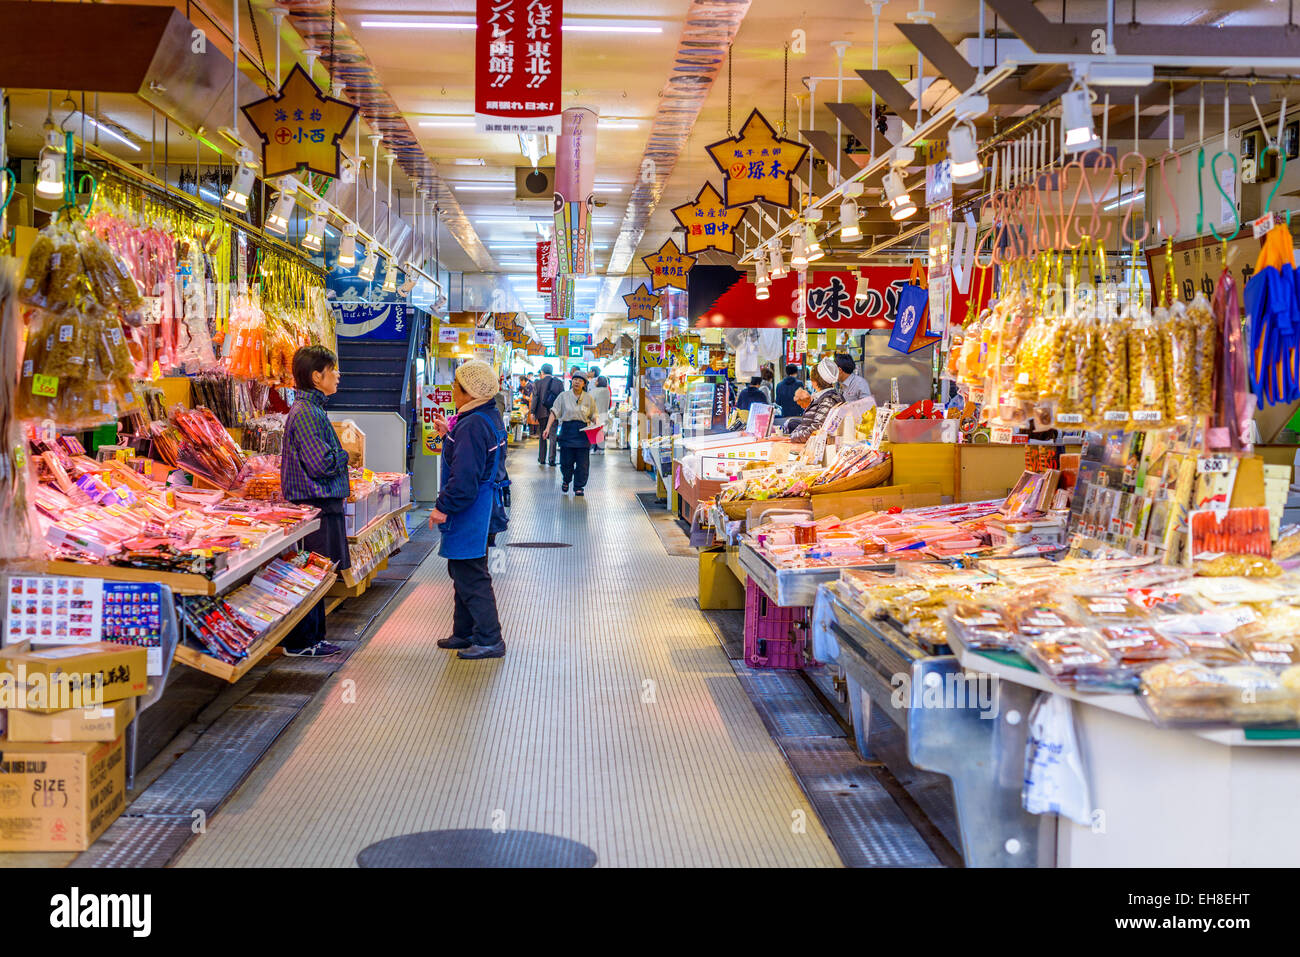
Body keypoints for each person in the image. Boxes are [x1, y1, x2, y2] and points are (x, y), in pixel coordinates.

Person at [427, 360, 510, 660]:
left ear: (469, 392)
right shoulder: (486, 415)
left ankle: (489, 638)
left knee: (471, 572)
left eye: (457, 386)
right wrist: (449, 430)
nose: (452, 390)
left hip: (470, 509)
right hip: (484, 506)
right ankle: (464, 632)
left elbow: (464, 478)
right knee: (462, 568)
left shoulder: (473, 425)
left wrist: (442, 508)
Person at [279, 346, 354, 657]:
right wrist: (344, 454)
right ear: (316, 376)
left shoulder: (312, 409)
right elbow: (320, 464)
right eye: (332, 370)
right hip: (314, 507)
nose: (338, 375)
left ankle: (313, 638)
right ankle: (301, 642)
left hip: (319, 506)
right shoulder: (308, 413)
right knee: (312, 574)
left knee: (318, 574)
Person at [544, 369, 599, 495]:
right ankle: (566, 479)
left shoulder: (588, 398)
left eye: (580, 381)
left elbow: (594, 414)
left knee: (583, 463)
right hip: (567, 431)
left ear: (584, 384)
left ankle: (579, 486)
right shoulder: (563, 396)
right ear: (571, 381)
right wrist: (547, 428)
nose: (577, 382)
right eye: (575, 380)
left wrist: (597, 424)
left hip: (583, 433)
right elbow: (554, 412)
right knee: (566, 462)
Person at [785, 357, 845, 443]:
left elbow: (816, 429)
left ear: (815, 382)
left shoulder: (828, 399)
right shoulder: (824, 397)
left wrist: (792, 438)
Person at [530, 363, 563, 465]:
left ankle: (542, 458)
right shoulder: (559, 383)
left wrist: (532, 412)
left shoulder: (537, 383)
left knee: (542, 435)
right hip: (555, 412)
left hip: (541, 413)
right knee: (553, 435)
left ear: (542, 372)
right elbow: (562, 398)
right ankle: (552, 459)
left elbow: (535, 398)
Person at [591, 374, 612, 452]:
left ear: (598, 382)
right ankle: (601, 450)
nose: (595, 382)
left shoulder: (595, 391)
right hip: (604, 414)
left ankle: (593, 449)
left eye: (596, 381)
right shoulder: (607, 391)